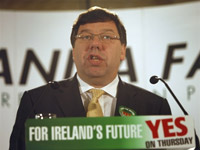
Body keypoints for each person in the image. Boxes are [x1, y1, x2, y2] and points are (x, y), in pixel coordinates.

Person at [9, 6, 171, 150]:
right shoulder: (37, 101)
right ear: (73, 51)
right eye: (85, 37)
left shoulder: (153, 107)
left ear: (123, 51)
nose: (95, 44)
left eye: (107, 37)